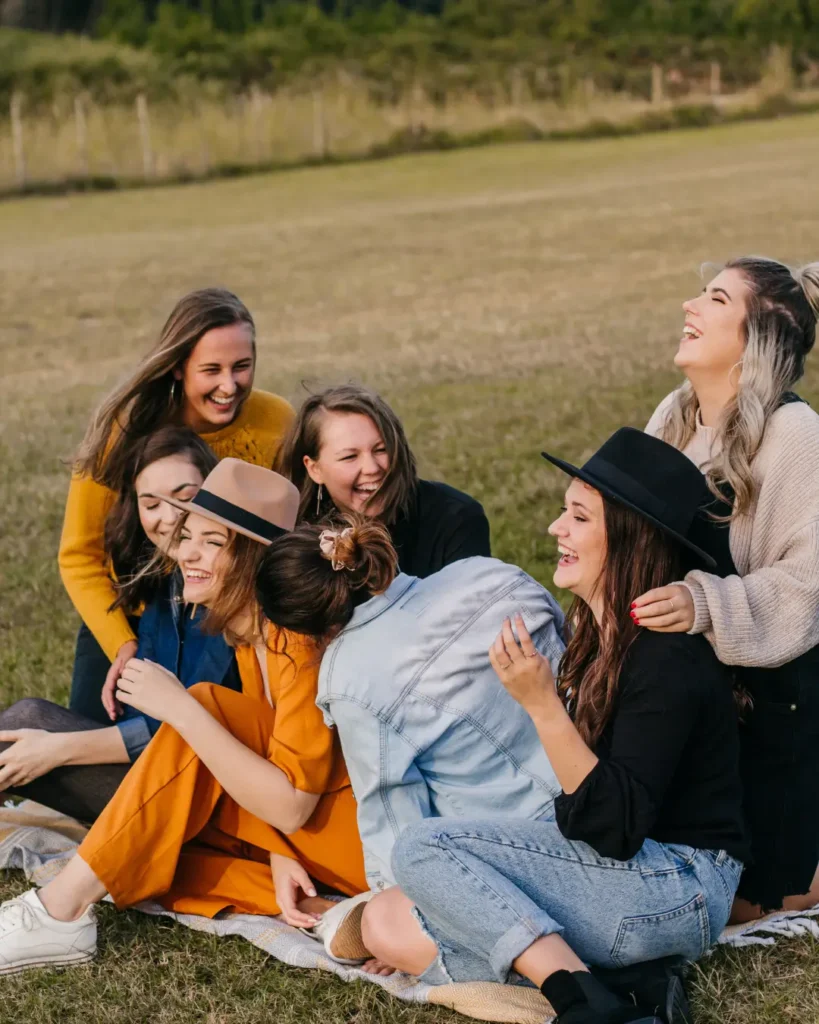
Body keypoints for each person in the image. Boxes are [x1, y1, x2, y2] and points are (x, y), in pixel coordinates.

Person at [359, 429, 748, 1024]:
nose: (554, 529)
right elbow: (578, 817)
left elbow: (612, 829)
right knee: (385, 919)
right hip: (625, 879)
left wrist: (542, 705)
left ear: (627, 537)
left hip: (678, 886)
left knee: (422, 849)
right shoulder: (598, 640)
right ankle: (624, 983)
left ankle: (581, 1001)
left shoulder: (665, 657)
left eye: (578, 516)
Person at [0, 460, 367, 975]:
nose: (187, 553)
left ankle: (59, 912)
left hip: (359, 839)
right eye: (188, 536)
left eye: (213, 543)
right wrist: (280, 854)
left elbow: (292, 806)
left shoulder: (298, 642)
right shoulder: (248, 635)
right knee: (149, 852)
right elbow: (270, 767)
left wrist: (180, 707)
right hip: (305, 838)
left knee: (204, 707)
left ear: (254, 559)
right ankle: (325, 913)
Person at [635, 257, 819, 919]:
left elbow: (805, 589)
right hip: (677, 678)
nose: (689, 305)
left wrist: (700, 603)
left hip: (768, 703)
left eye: (714, 298)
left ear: (757, 337)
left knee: (754, 900)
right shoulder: (674, 415)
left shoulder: (795, 434)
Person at [253, 514, 565, 894]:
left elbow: (395, 819)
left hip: (520, 851)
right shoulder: (486, 572)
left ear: (306, 628)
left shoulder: (350, 677)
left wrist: (392, 908)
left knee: (376, 925)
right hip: (599, 783)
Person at [60, 288, 293, 726]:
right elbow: (79, 557)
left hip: (225, 618)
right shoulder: (124, 432)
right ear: (176, 367)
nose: (230, 386)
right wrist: (121, 646)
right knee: (88, 749)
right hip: (130, 615)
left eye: (242, 367)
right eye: (211, 370)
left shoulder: (276, 420)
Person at [0, 426, 240, 824]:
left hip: (209, 802)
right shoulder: (167, 583)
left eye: (186, 497)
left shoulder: (229, 594)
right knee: (25, 723)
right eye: (152, 504)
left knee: (28, 733)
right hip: (158, 773)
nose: (169, 518)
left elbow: (186, 726)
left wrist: (57, 750)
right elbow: (140, 711)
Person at [275, 384, 490, 578]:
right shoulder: (294, 538)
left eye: (381, 449)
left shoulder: (454, 518)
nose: (372, 468)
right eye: (350, 457)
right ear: (314, 469)